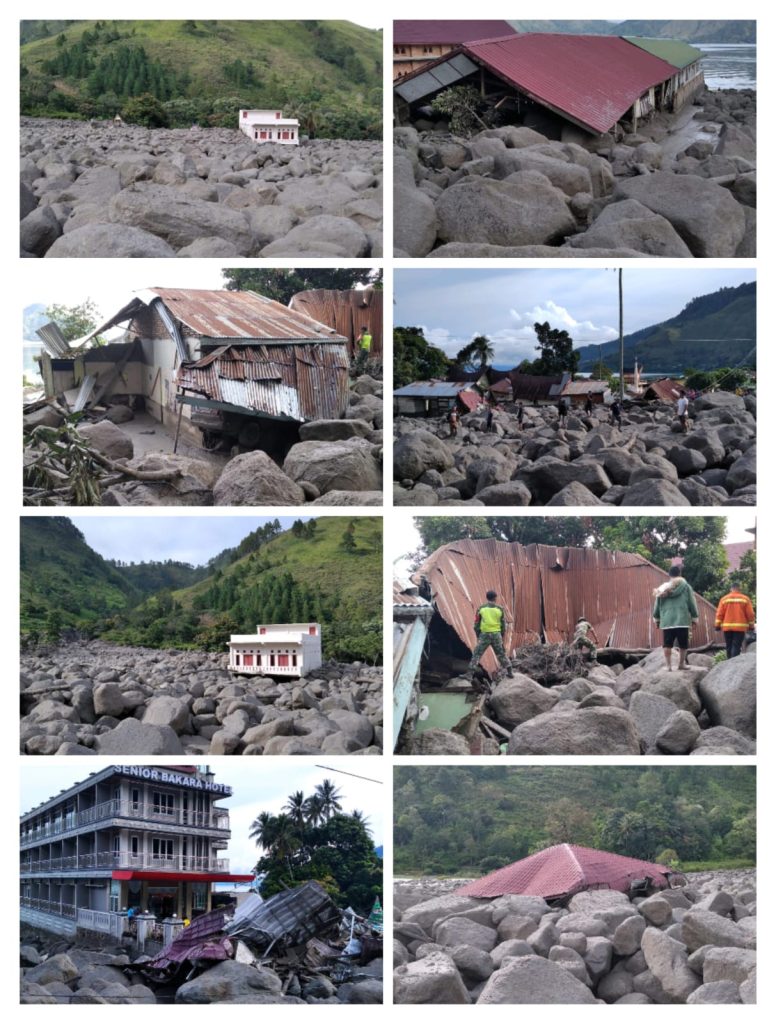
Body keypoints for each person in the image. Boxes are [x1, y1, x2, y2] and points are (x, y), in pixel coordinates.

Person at [652, 566, 699, 671]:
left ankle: (668, 666)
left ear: (669, 575)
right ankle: (681, 664)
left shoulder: (662, 588)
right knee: (683, 644)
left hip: (667, 621)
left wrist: (657, 619)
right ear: (680, 574)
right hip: (682, 620)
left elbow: (657, 605)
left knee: (667, 644)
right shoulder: (686, 587)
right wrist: (694, 618)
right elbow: (692, 603)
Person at [466, 591, 514, 679]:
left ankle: (469, 675)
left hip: (484, 635)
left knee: (477, 654)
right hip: (496, 635)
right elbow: (503, 625)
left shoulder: (481, 609)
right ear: (495, 598)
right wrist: (501, 635)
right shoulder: (500, 609)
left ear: (487, 597)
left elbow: (476, 624)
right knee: (501, 654)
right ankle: (510, 672)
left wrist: (478, 635)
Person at [714, 584, 755, 659]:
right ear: (739, 589)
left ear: (731, 589)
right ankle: (734, 664)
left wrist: (717, 625)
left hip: (727, 628)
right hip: (740, 628)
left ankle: (729, 663)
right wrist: (751, 626)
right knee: (736, 646)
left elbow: (719, 613)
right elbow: (750, 614)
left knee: (728, 646)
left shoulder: (724, 599)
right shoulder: (745, 599)